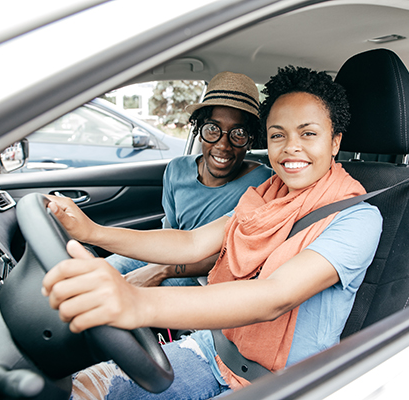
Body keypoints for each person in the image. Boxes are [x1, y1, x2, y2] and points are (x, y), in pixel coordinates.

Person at [42, 66, 383, 400]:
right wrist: (93, 231)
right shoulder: (268, 194)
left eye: (308, 133)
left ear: (335, 141)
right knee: (80, 389)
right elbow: (191, 242)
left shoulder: (357, 218)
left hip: (282, 384)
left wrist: (137, 302)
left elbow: (275, 296)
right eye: (278, 134)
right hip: (215, 347)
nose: (291, 147)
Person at [107, 71, 273, 286]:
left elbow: (240, 253)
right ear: (198, 129)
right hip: (174, 254)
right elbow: (172, 232)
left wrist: (161, 271)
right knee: (108, 269)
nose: (223, 145)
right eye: (212, 129)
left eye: (238, 133)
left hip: (213, 274)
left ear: (250, 141)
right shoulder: (177, 169)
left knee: (147, 295)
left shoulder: (264, 182)